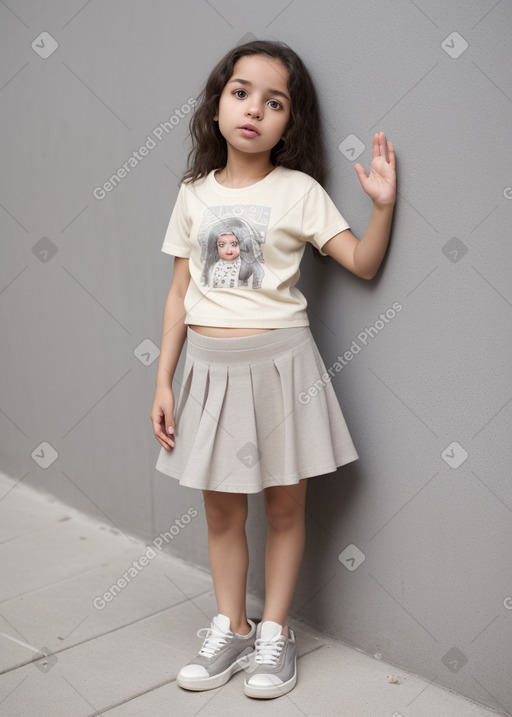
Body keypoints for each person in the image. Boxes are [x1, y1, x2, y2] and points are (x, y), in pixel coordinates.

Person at [150, 39, 396, 700]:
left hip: (282, 365)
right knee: (222, 511)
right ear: (218, 102)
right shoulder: (193, 194)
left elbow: (363, 264)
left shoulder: (300, 191)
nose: (254, 109)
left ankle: (275, 633)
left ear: (292, 121)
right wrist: (163, 379)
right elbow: (179, 292)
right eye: (241, 92)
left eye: (274, 101)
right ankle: (231, 624)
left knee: (286, 507)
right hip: (207, 369)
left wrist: (381, 206)